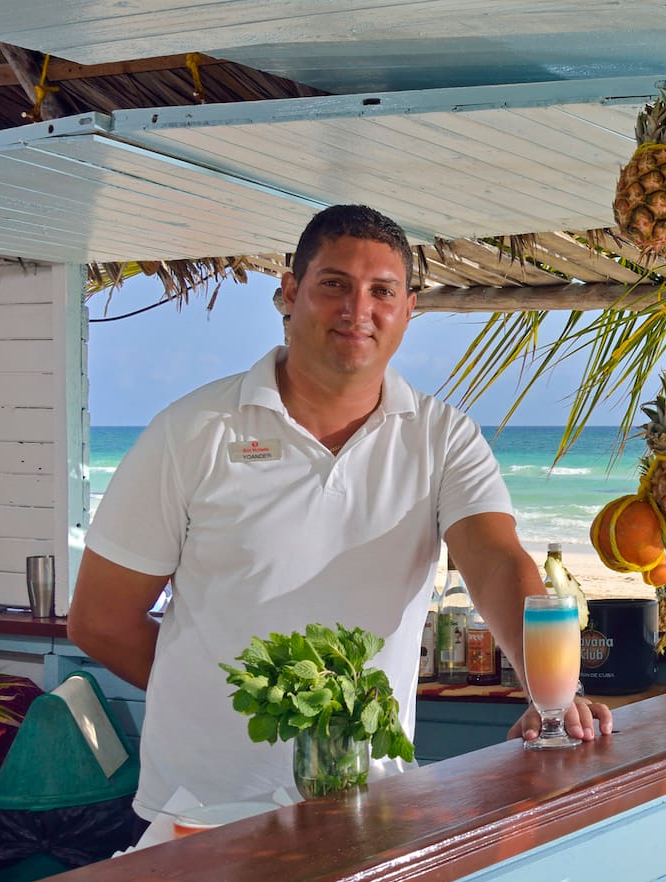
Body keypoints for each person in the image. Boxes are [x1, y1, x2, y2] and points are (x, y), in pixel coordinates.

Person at [69, 205, 615, 829]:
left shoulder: (443, 439)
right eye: (334, 285)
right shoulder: (191, 433)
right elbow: (100, 620)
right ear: (289, 292)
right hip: (204, 808)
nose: (359, 310)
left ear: (409, 309)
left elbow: (494, 559)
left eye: (382, 291)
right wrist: (221, 703)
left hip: (371, 803)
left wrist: (552, 697)